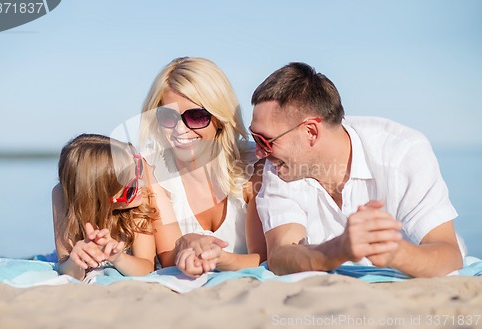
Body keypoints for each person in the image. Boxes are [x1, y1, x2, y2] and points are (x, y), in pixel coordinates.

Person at [249, 62, 464, 278]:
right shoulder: (279, 167)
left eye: (265, 140)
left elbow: (449, 254)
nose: (259, 153)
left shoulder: (402, 153)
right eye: (254, 138)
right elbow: (280, 255)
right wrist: (339, 249)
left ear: (311, 132)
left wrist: (392, 252)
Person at [139, 57, 266, 276]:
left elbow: (264, 258)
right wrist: (186, 243)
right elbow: (169, 260)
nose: (180, 129)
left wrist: (220, 258)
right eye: (168, 116)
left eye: (196, 116)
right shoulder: (152, 170)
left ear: (219, 119)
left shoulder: (255, 166)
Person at [52, 134, 160, 280]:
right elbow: (66, 268)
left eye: (138, 170)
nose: (141, 184)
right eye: (130, 190)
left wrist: (118, 257)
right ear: (100, 199)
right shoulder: (62, 195)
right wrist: (76, 260)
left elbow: (147, 267)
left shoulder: (140, 200)